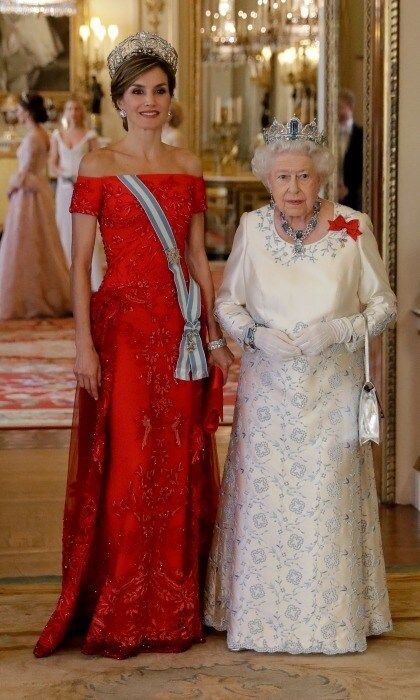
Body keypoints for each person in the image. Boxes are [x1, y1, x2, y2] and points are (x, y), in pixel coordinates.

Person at [34, 31, 232, 660]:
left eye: (160, 90)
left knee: (175, 461)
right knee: (127, 462)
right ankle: (122, 601)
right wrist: (82, 347)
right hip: (120, 332)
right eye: (137, 92)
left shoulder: (190, 165)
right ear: (119, 100)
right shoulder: (97, 166)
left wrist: (214, 329)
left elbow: (199, 255)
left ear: (172, 98)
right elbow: (80, 264)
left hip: (178, 334)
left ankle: (173, 609)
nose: (150, 102)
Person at [205, 117, 396, 654]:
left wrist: (343, 328)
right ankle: (260, 620)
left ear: (321, 179)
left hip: (331, 392)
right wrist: (255, 336)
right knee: (267, 506)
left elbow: (384, 305)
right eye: (283, 177)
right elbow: (227, 303)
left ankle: (331, 623)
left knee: (326, 501)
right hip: (268, 395)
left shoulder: (351, 227)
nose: (293, 189)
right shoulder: (251, 229)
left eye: (304, 177)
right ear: (268, 180)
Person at [0, 91, 71, 319]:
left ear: (27, 112)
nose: (16, 113)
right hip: (38, 190)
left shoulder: (33, 137)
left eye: (19, 109)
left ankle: (27, 297)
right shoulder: (41, 133)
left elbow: (25, 171)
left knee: (25, 241)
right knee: (42, 241)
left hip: (28, 194)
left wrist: (11, 188)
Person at [50, 97, 105, 291]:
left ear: (81, 112)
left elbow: (98, 161)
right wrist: (65, 174)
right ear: (65, 112)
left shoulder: (89, 135)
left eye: (76, 109)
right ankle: (66, 283)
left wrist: (83, 176)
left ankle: (94, 283)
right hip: (64, 189)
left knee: (88, 232)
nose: (73, 112)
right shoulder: (57, 135)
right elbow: (52, 164)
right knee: (64, 231)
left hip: (84, 188)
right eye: (69, 109)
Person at [338, 88, 363, 211]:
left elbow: (364, 167)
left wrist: (348, 189)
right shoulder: (328, 134)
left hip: (353, 197)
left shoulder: (362, 135)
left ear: (350, 107)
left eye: (340, 107)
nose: (337, 111)